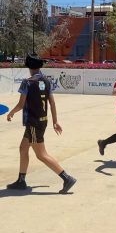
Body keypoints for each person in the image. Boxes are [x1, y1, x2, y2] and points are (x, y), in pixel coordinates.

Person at [6, 54, 76, 194]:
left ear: (29, 67)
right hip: (42, 121)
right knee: (23, 148)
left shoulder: (28, 82)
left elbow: (21, 104)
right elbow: (52, 102)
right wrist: (55, 121)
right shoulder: (46, 80)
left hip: (33, 122)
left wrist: (11, 112)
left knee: (41, 154)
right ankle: (21, 180)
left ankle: (66, 178)